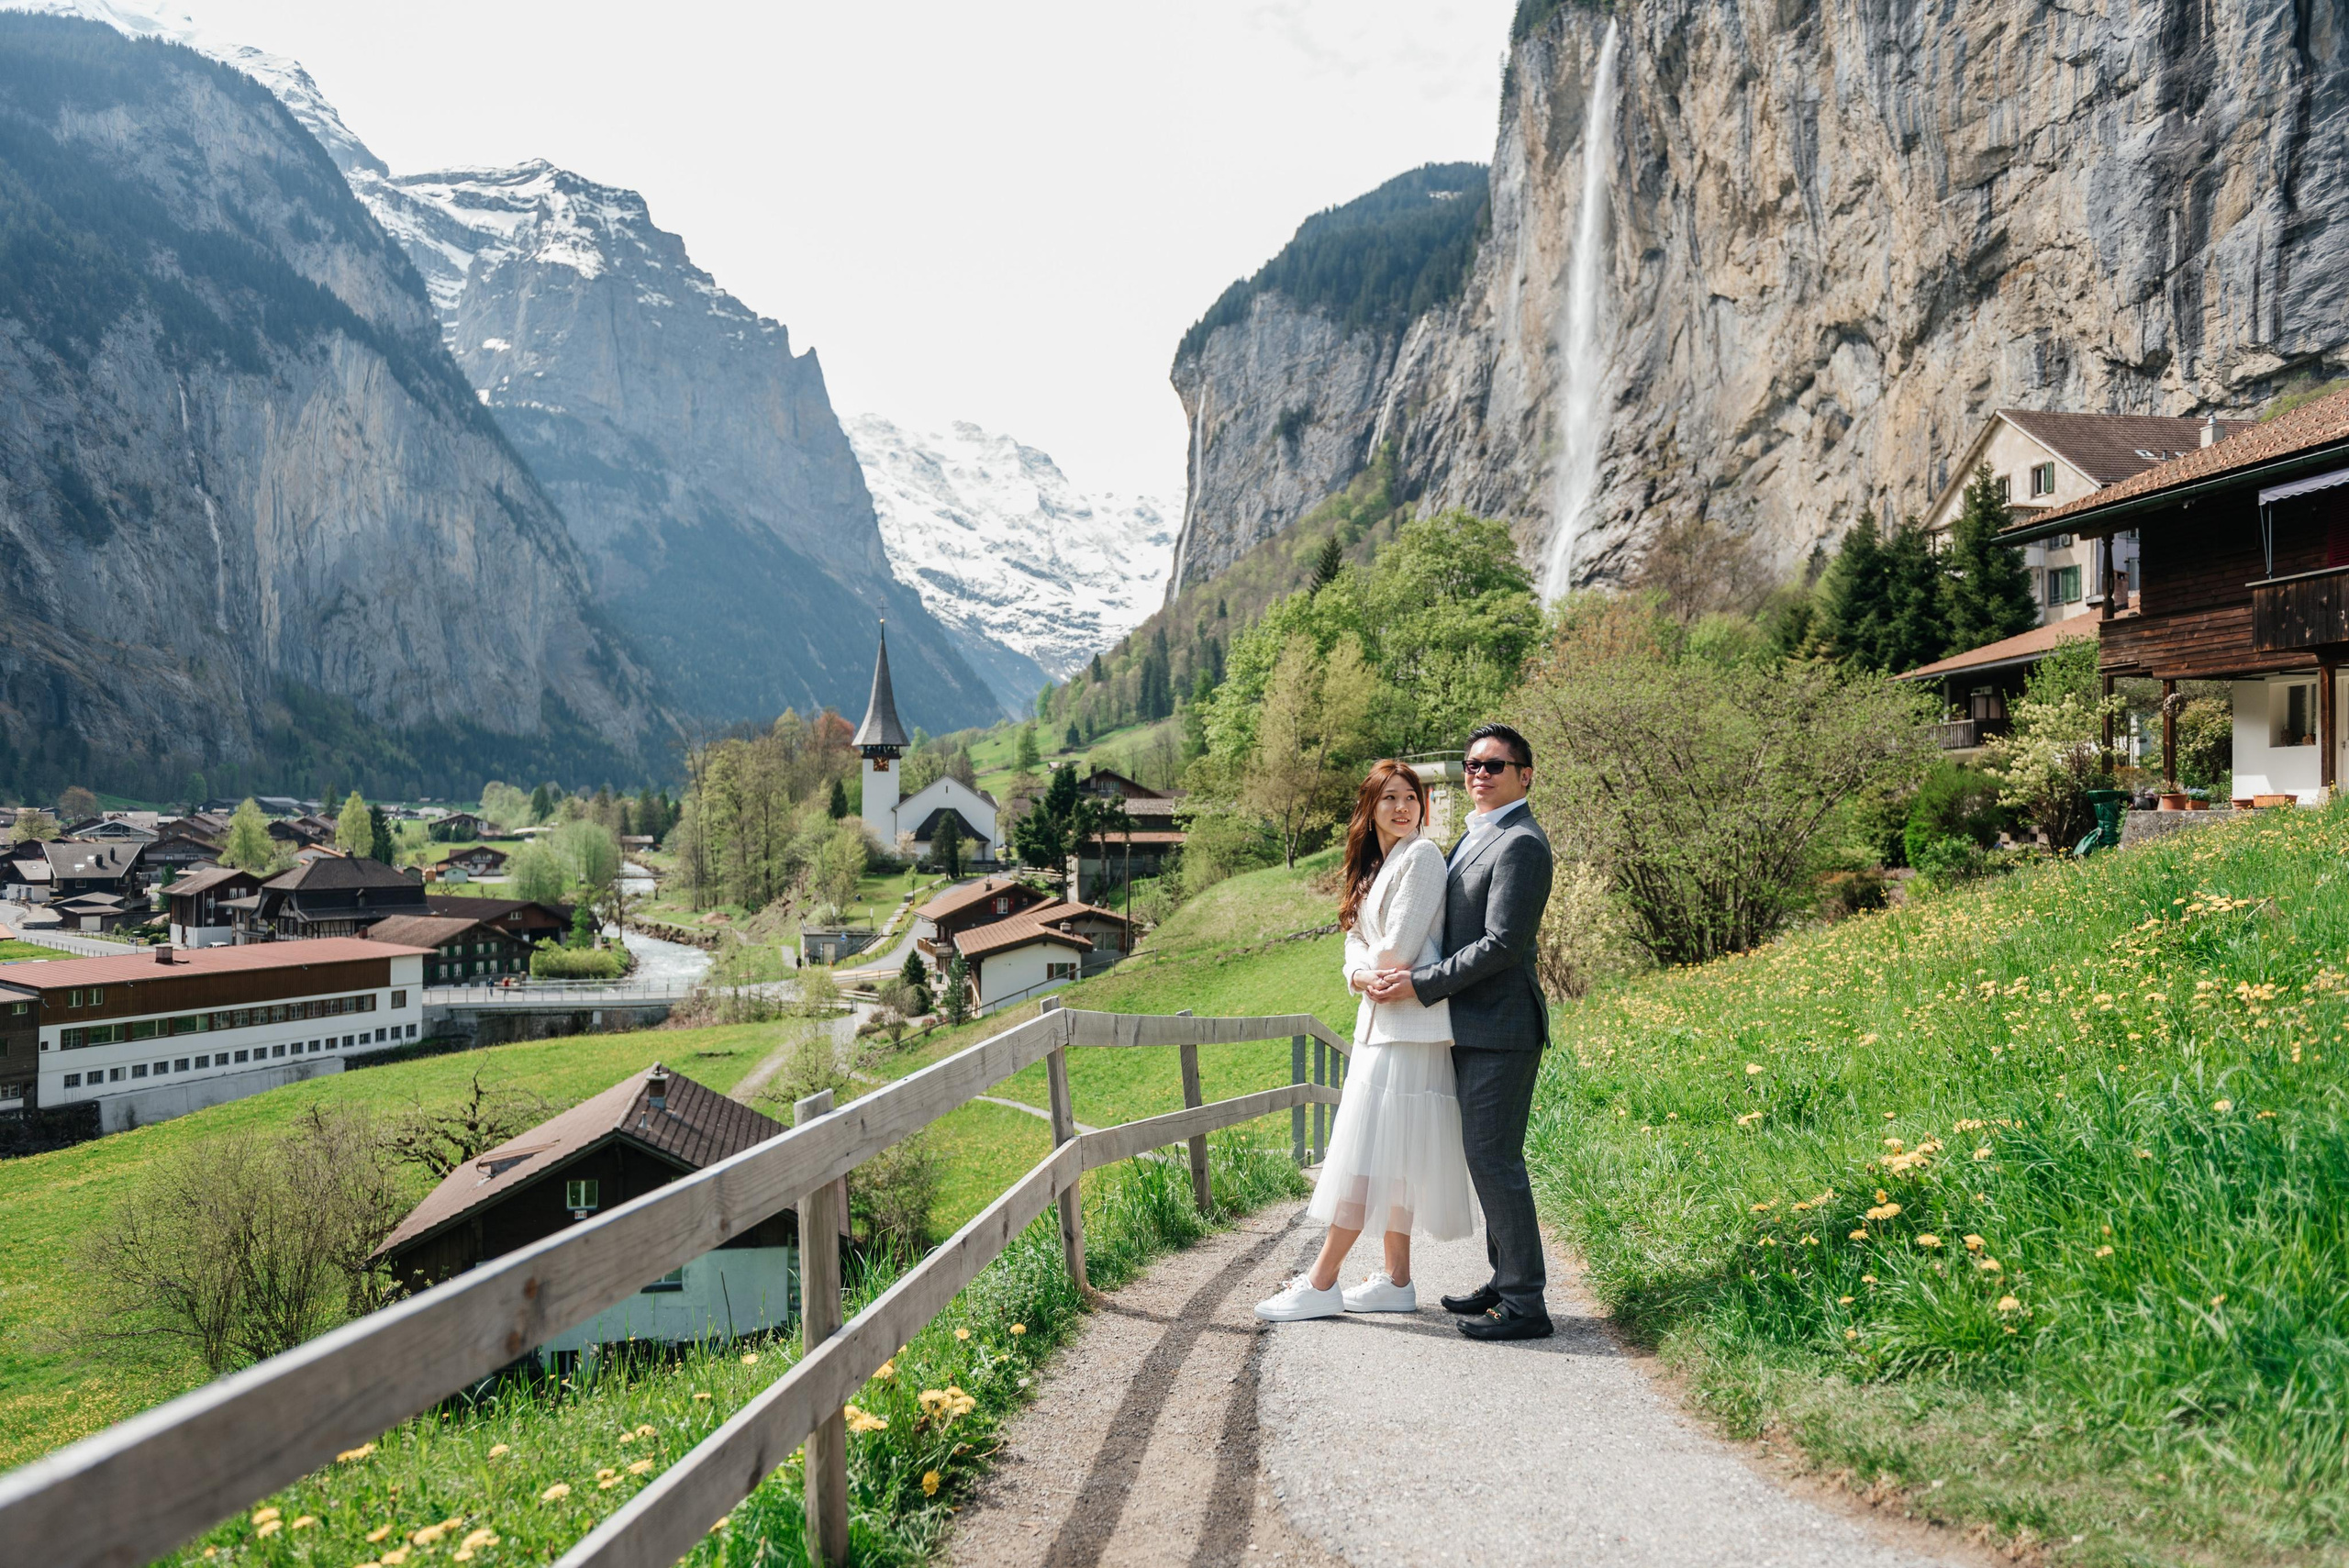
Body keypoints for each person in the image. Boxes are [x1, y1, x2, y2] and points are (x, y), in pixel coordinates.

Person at [1254, 760, 1474, 1321]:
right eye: (1390, 799)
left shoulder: (1422, 856)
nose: (1403, 808)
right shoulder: (1376, 867)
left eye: (1411, 798)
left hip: (1410, 1030)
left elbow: (1396, 949)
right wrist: (1357, 976)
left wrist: (1371, 969)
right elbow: (1354, 939)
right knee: (1389, 1156)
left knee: (1366, 1159)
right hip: (1381, 1025)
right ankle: (1397, 1280)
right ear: (1370, 807)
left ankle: (1321, 1281)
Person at [1364, 721, 1554, 1341]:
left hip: (1502, 1026)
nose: (1479, 773)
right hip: (1472, 1026)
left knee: (1495, 1161)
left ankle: (1526, 1303)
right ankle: (1504, 1282)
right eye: (1472, 764)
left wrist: (1420, 984)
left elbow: (1502, 945)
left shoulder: (1522, 842)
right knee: (1486, 1158)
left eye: (1494, 765)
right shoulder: (1478, 835)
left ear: (1524, 775)